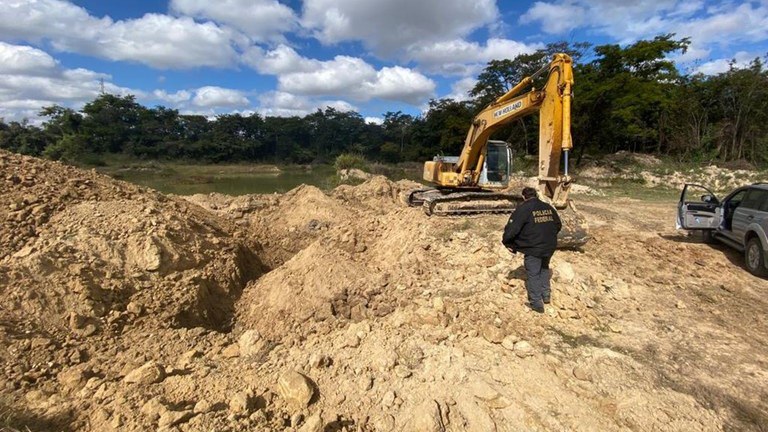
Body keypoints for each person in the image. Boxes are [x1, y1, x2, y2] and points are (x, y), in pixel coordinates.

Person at [502, 187, 562, 313]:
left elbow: (513, 228)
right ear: (536, 195)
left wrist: (507, 242)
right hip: (549, 246)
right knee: (544, 268)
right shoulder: (548, 207)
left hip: (533, 248)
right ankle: (546, 295)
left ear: (524, 197)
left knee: (533, 274)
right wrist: (548, 237)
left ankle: (536, 303)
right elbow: (558, 225)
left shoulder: (523, 209)